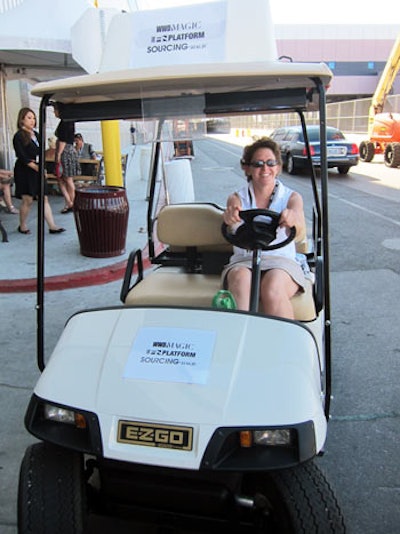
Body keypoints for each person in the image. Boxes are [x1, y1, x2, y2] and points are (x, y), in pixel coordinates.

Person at [222, 137, 306, 319]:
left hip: (281, 261)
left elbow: (299, 232)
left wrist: (293, 220)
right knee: (240, 278)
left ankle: (283, 345)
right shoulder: (237, 198)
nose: (265, 169)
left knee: (272, 287)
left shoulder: (292, 198)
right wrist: (230, 217)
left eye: (270, 163)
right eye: (258, 164)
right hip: (245, 259)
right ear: (247, 168)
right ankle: (239, 339)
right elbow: (232, 225)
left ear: (278, 167)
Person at [12, 107, 65, 235]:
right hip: (24, 170)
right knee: (28, 200)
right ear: (22, 120)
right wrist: (37, 167)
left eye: (34, 118)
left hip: (37, 168)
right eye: (29, 118)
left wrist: (44, 166)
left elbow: (41, 154)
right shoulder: (18, 136)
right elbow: (22, 156)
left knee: (44, 198)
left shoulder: (36, 134)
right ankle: (22, 225)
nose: (32, 121)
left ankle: (52, 225)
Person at [54, 103, 80, 214]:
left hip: (64, 151)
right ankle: (71, 202)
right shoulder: (70, 121)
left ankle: (70, 202)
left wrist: (58, 154)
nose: (54, 112)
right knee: (68, 179)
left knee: (62, 178)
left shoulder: (63, 122)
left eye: (55, 110)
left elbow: (62, 140)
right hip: (71, 151)